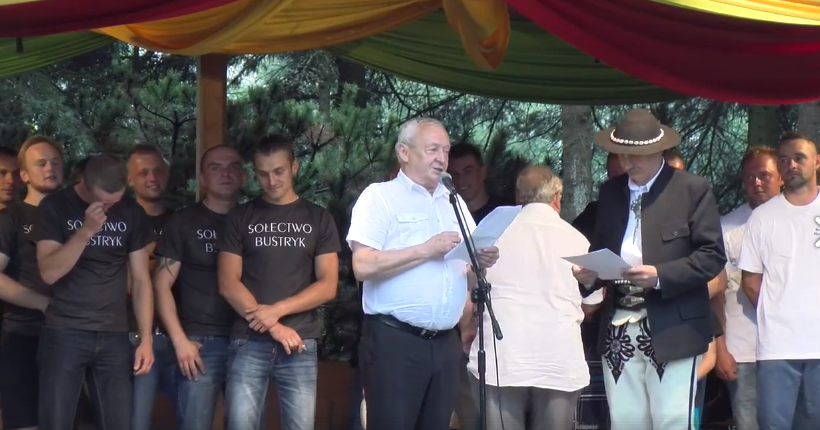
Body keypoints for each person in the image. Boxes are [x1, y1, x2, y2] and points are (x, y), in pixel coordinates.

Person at [572, 109, 726, 430]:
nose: (627, 162)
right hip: (618, 327)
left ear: (659, 151)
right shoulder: (611, 193)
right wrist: (589, 277)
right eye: (622, 154)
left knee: (671, 421)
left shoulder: (691, 189)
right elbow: (602, 251)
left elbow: (712, 256)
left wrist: (660, 276)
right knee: (626, 421)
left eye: (636, 155)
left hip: (674, 326)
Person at [347, 118, 499, 430]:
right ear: (404, 152)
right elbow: (362, 266)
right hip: (395, 342)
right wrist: (425, 249)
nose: (441, 158)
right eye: (432, 150)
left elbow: (468, 276)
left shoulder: (453, 202)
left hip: (444, 344)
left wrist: (480, 262)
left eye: (445, 150)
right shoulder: (380, 197)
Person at [462, 165, 603, 430]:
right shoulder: (577, 239)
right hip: (559, 357)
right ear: (557, 198)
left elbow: (469, 288)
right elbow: (592, 302)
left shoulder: (490, 235)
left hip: (503, 358)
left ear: (518, 196)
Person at [218, 134, 341, 430]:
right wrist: (274, 325)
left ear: (294, 167)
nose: (271, 180)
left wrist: (277, 311)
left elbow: (328, 285)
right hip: (248, 340)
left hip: (300, 341)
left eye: (278, 171)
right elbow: (228, 283)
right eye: (263, 173)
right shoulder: (240, 217)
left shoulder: (318, 218)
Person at [34, 154, 156, 430]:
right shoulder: (56, 206)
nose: (110, 207)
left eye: (116, 200)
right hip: (65, 330)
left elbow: (141, 280)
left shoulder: (131, 211)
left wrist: (146, 339)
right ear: (85, 185)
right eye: (104, 201)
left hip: (114, 333)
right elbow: (49, 272)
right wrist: (85, 231)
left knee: (118, 422)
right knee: (56, 421)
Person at [154, 145, 246, 430]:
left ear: (244, 176)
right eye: (215, 167)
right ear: (203, 177)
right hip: (199, 342)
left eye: (233, 166)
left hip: (248, 339)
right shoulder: (183, 221)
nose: (225, 173)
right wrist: (180, 341)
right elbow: (161, 284)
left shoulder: (254, 220)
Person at [738, 132, 820, 430]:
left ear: (817, 161)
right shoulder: (762, 217)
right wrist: (780, 311)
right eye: (784, 160)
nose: (791, 165)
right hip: (778, 349)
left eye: (799, 158)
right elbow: (750, 282)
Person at [712, 146, 782, 430]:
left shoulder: (802, 222)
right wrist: (720, 348)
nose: (757, 182)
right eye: (749, 177)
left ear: (781, 177)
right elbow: (716, 293)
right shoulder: (726, 227)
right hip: (742, 351)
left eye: (764, 175)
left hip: (794, 351)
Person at [0, 136, 61, 430]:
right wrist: (44, 303)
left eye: (56, 162)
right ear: (24, 175)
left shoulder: (80, 217)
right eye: (41, 163)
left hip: (70, 338)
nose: (50, 168)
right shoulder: (11, 217)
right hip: (22, 334)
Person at [126, 144, 177, 430]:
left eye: (157, 170)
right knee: (137, 421)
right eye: (143, 172)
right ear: (129, 179)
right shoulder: (118, 220)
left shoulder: (180, 220)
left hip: (179, 336)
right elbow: (128, 282)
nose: (152, 177)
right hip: (132, 336)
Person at [447, 142, 514, 224]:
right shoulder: (445, 217)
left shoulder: (507, 211)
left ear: (483, 172)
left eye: (468, 171)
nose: (460, 180)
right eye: (454, 174)